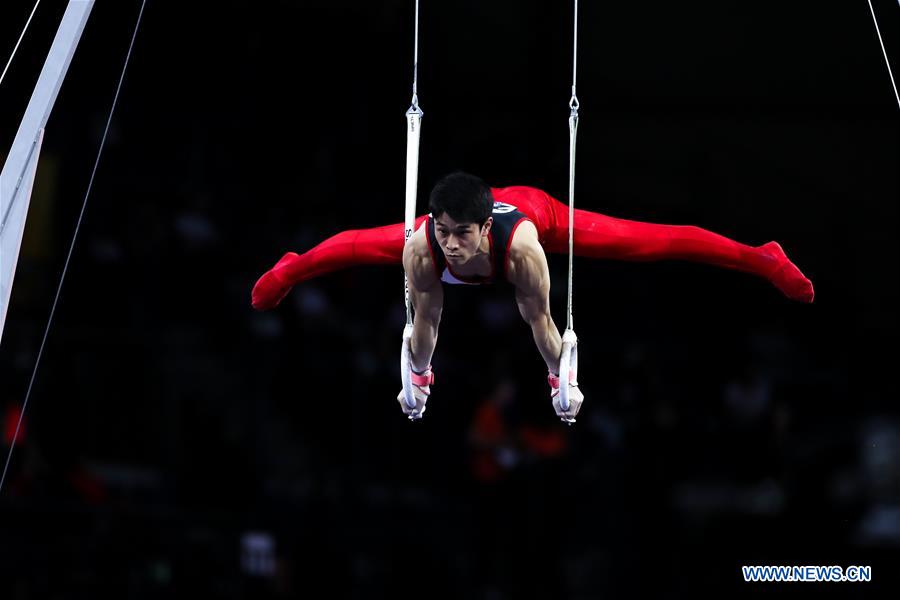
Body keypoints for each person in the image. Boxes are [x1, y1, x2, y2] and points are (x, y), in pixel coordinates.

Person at [251, 172, 814, 422]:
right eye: (442, 231)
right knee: (345, 249)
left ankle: (758, 255)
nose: (450, 245)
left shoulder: (521, 248)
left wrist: (558, 378)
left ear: (480, 227)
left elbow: (539, 320)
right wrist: (416, 377)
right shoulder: (425, 246)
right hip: (462, 228)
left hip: (534, 212)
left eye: (460, 235)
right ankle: (288, 266)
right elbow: (424, 318)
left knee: (651, 242)